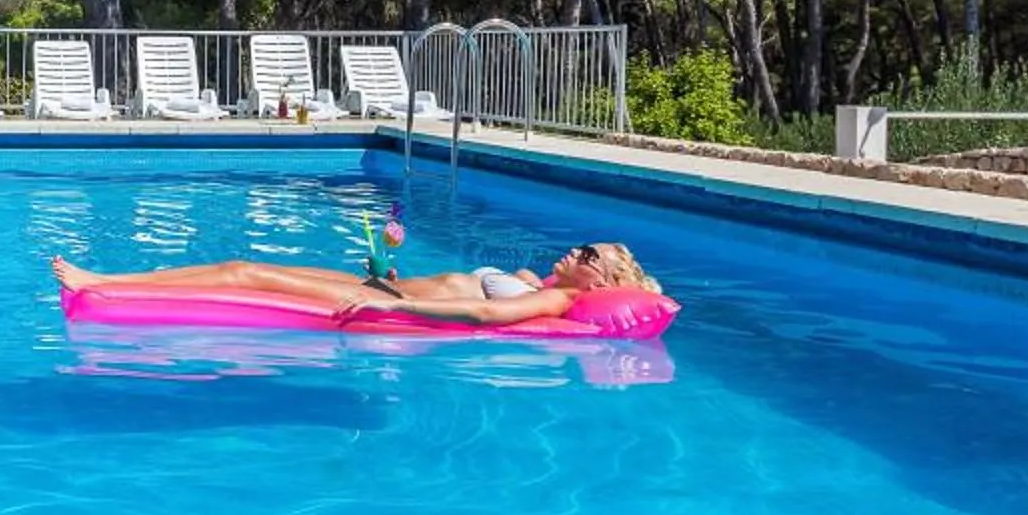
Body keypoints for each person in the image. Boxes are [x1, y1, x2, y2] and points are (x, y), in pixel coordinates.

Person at [51, 241, 661, 326]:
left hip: (381, 301)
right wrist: (391, 280)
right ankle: (113, 279)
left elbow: (483, 316)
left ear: (601, 279)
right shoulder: (531, 278)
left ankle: (106, 281)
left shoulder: (563, 297)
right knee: (242, 263)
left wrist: (394, 305)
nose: (576, 251)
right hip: (380, 284)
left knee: (241, 274)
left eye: (589, 254)